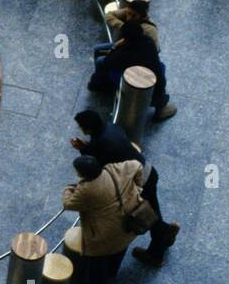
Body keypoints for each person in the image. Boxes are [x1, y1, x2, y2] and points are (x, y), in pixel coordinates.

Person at [71, 109, 179, 265]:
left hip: (141, 178)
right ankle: (165, 232)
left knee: (147, 214)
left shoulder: (99, 144)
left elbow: (95, 167)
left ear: (87, 128)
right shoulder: (111, 127)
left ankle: (158, 251)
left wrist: (82, 149)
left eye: (81, 127)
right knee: (152, 209)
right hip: (147, 169)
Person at [61, 156, 147, 284]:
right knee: (120, 249)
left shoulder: (87, 190)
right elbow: (138, 165)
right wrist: (138, 189)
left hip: (108, 234)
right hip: (130, 223)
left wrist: (68, 188)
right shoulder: (114, 169)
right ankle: (112, 272)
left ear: (82, 173)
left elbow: (68, 204)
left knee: (97, 262)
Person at [88, 20, 177, 120]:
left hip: (132, 77)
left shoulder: (124, 54)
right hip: (152, 75)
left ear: (125, 38)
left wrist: (114, 47)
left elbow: (108, 61)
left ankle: (98, 83)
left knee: (100, 61)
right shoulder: (148, 41)